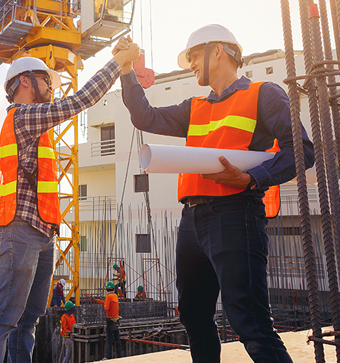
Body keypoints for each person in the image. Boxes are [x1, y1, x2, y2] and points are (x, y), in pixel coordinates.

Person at [119, 24, 315, 363]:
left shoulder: (263, 94)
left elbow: (301, 150)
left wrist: (252, 178)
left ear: (218, 51)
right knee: (194, 316)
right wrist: (126, 71)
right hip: (192, 220)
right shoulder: (194, 106)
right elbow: (144, 116)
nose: (191, 64)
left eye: (194, 57)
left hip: (235, 214)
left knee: (249, 321)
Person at [0, 39, 141, 363]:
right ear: (25, 81)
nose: (52, 87)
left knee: (29, 319)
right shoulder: (23, 116)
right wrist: (117, 63)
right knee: (4, 318)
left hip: (41, 231)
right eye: (46, 81)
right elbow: (80, 101)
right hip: (17, 227)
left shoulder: (37, 125)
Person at [92, 281, 122, 359]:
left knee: (109, 341)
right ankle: (120, 356)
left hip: (110, 322)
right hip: (116, 321)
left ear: (106, 289)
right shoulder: (115, 296)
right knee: (117, 340)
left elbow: (106, 307)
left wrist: (104, 303)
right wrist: (97, 301)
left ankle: (108, 357)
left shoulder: (108, 297)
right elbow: (106, 303)